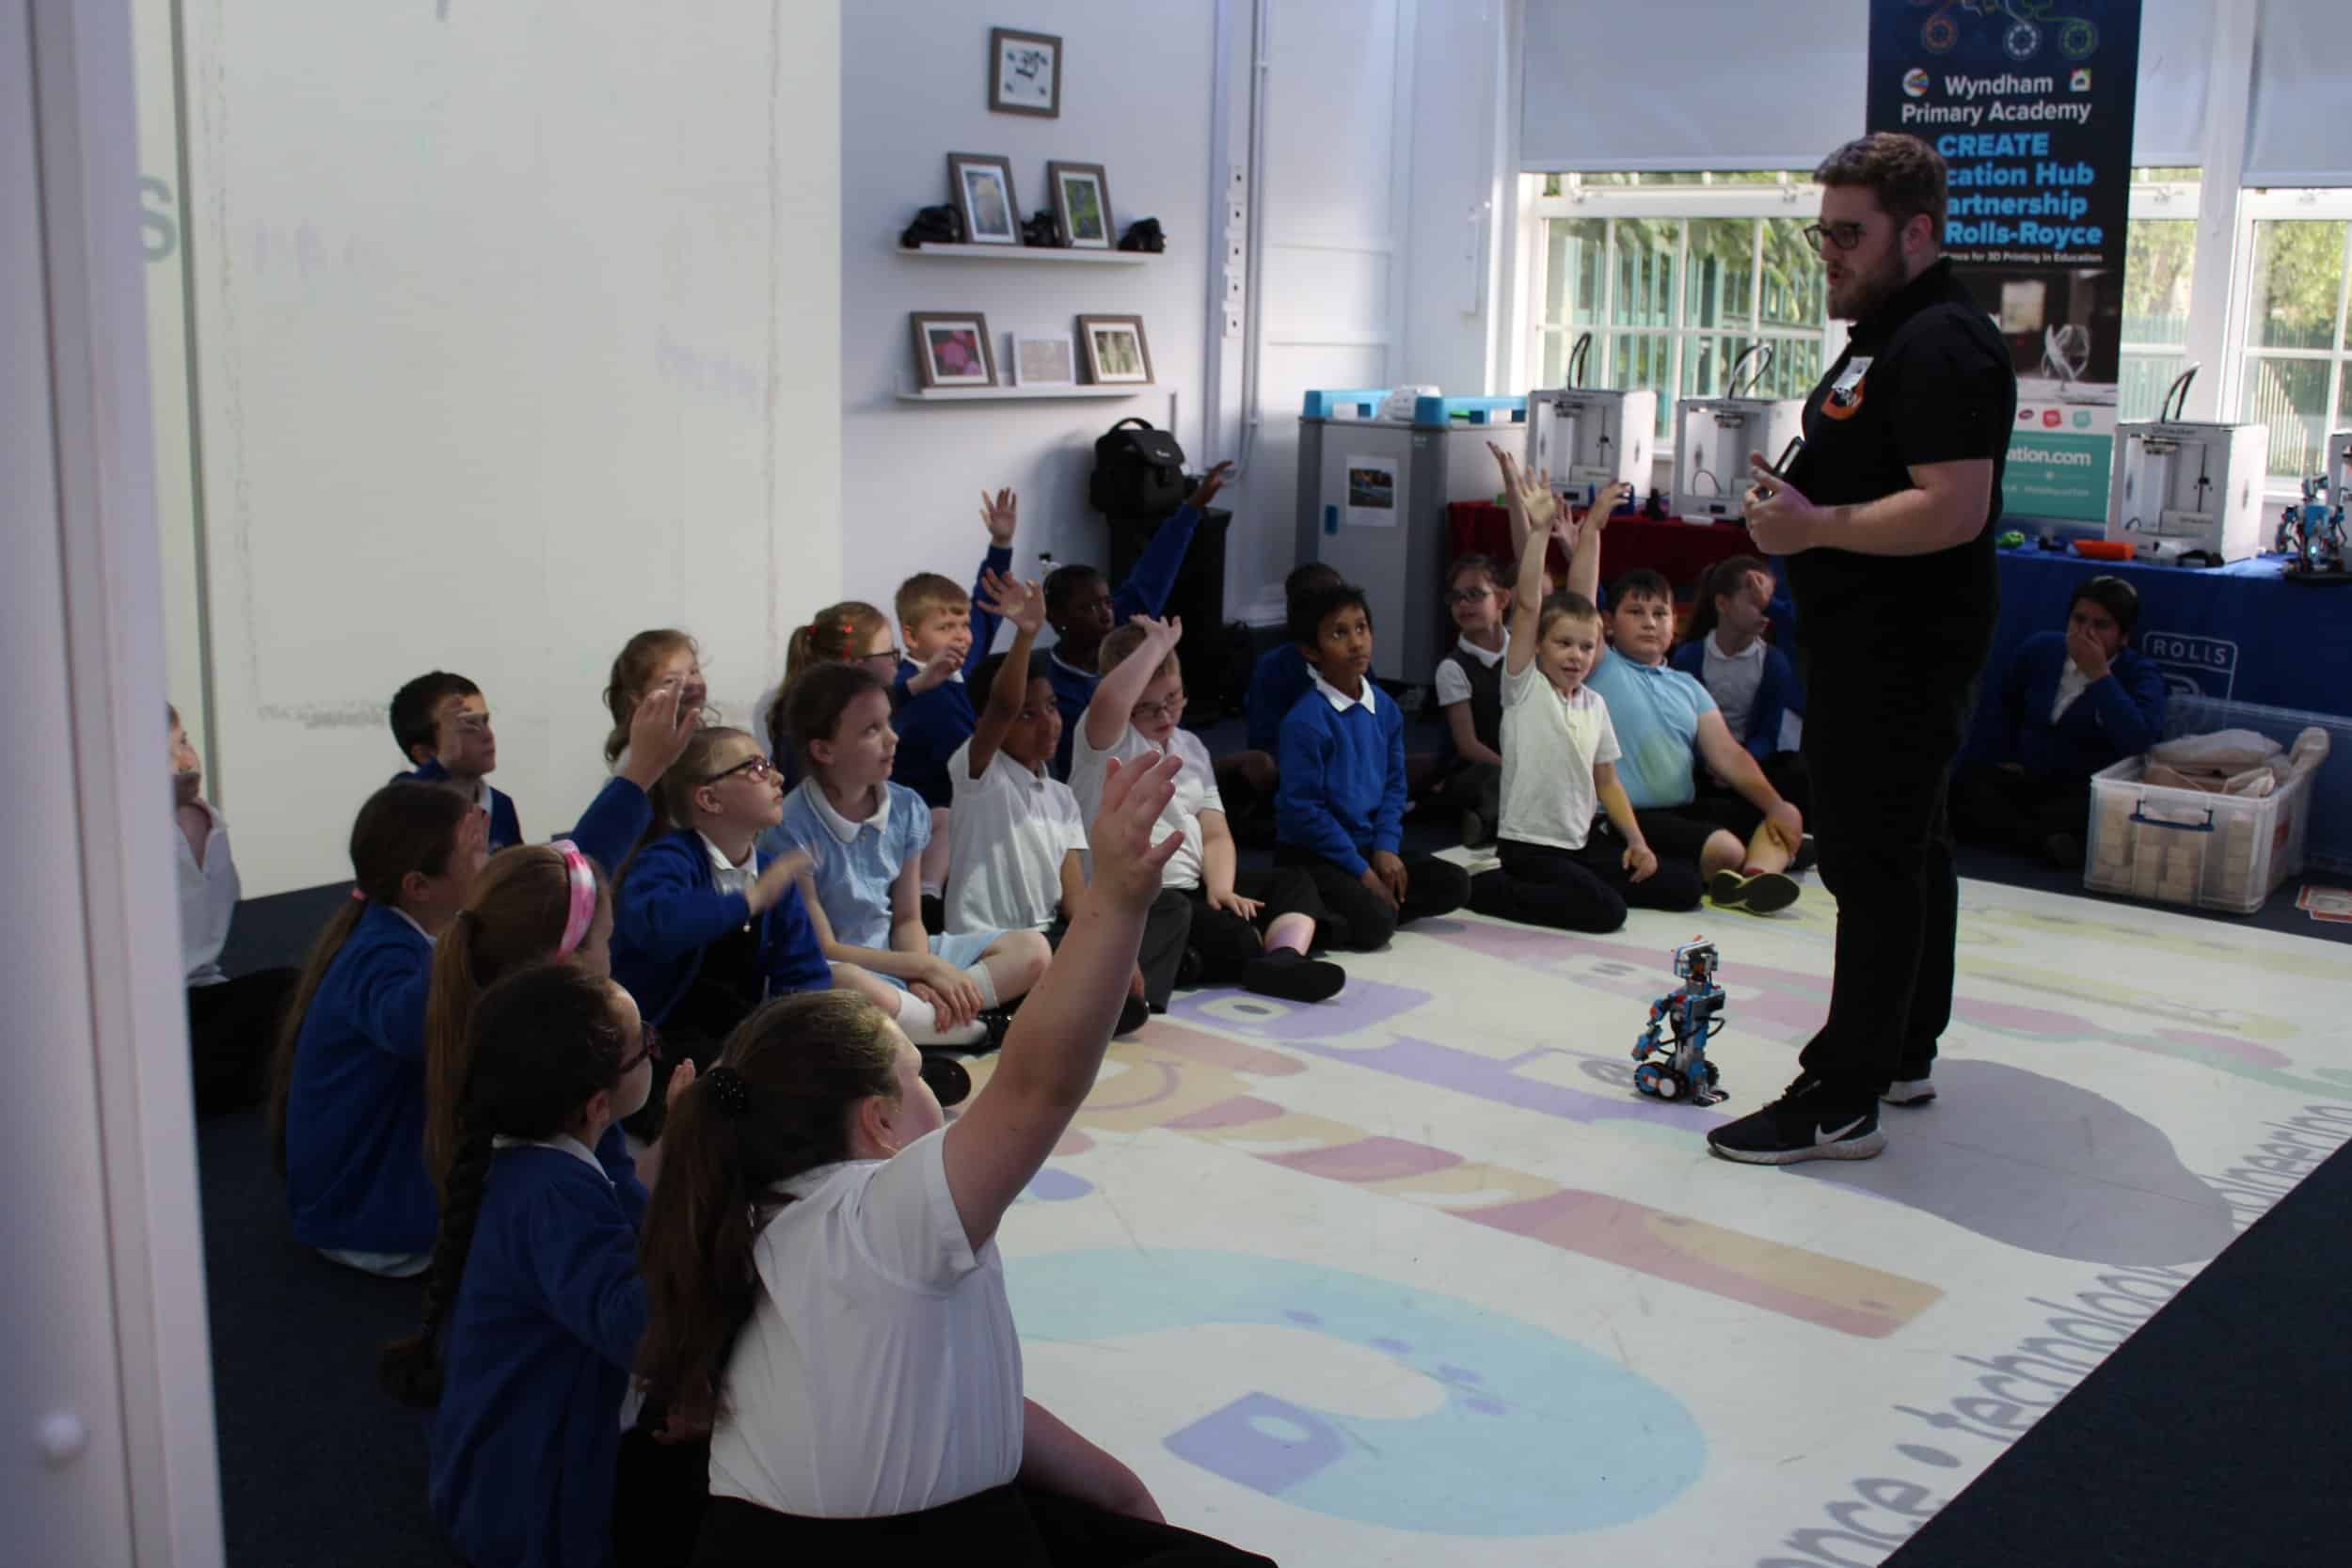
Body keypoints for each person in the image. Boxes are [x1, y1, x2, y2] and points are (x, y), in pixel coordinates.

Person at [633, 753, 1275, 1564]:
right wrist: (1115, 898)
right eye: (913, 1071)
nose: (941, 1091)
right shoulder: (876, 1215)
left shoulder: (745, 1208)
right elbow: (1038, 1084)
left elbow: (962, 1398)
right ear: (879, 1123)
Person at [1708, 132, 2017, 1163]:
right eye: (1822, 231)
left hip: (1902, 650)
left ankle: (1839, 1094)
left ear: (1917, 232)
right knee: (1909, 849)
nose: (1828, 252)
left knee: (1873, 861)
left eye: (1850, 233)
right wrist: (1801, 507)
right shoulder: (1887, 331)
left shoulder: (1944, 343)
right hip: (1869, 640)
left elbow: (1953, 507)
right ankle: (1900, 1049)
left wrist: (1815, 526)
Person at [382, 964, 698, 1568]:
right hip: (541, 1510)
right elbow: (645, 1331)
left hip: (531, 1456)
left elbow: (631, 1231)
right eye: (646, 1048)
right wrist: (690, 1170)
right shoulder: (552, 1197)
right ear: (597, 1102)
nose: (656, 1052)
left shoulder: (554, 1150)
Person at [612, 726, 918, 1141]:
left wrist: (803, 1037)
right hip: (661, 1049)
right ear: (709, 798)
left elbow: (803, 974)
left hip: (739, 1040)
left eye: (770, 763)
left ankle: (884, 1087)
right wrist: (750, 900)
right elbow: (661, 924)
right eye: (755, 768)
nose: (776, 776)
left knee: (836, 1049)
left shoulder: (772, 872)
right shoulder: (668, 861)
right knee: (735, 1109)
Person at [767, 664, 1052, 1044]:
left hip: (898, 956)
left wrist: (922, 974)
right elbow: (827, 947)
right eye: (871, 730)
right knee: (848, 987)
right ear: (823, 750)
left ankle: (928, 1022)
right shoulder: (790, 826)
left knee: (1032, 948)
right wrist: (922, 967)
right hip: (845, 968)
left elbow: (906, 919)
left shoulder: (906, 806)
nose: (892, 739)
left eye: (888, 722)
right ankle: (980, 1029)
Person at [272, 781, 487, 1275]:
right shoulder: (380, 956)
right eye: (475, 855)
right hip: (371, 1222)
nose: (490, 864)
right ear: (419, 887)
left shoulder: (394, 934)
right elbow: (417, 1028)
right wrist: (481, 918)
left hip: (371, 1200)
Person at [1080, 616, 1345, 1006]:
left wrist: (1222, 887)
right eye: (1148, 709)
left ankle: (1283, 960)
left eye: (1173, 699)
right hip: (1146, 900)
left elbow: (1216, 832)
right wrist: (1156, 644)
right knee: (1230, 936)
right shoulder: (1107, 743)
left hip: (1196, 888)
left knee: (1293, 882)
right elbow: (1109, 702)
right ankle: (1205, 960)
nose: (1166, 716)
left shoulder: (1191, 746)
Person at [1561, 497, 1806, 915]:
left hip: (1685, 810)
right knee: (1726, 847)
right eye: (1635, 612)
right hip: (1627, 817)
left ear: (1675, 624)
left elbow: (1729, 755)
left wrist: (1776, 806)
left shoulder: (1687, 685)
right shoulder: (1601, 665)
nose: (1650, 622)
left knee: (1782, 816)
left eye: (1660, 613)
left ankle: (1755, 878)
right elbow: (1580, 603)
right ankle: (1734, 867)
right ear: (1609, 626)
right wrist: (1591, 536)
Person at [1468, 461, 1684, 932]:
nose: (1576, 656)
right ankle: (1482, 888)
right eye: (1563, 644)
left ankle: (1582, 877)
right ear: (1539, 645)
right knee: (1608, 912)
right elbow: (1528, 605)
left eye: (1586, 647)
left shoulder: (1593, 703)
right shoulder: (1524, 685)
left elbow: (1607, 781)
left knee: (1682, 888)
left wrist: (1637, 841)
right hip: (1529, 846)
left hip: (1580, 841)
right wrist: (1542, 530)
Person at [1274, 582, 1471, 950]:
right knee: (1376, 924)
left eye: (1362, 628)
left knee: (1454, 883)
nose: (1356, 642)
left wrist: (1386, 849)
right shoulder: (1305, 721)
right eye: (1339, 633)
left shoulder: (1386, 708)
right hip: (1317, 854)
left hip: (1367, 845)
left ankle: (1362, 906)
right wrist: (1363, 873)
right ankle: (1311, 913)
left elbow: (1396, 787)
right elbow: (1305, 812)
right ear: (1311, 652)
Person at [1951, 575, 2164, 868]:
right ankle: (2043, 841)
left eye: (2100, 625)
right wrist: (2009, 756)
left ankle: (2036, 839)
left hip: (2081, 788)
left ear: (2124, 636)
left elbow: (2138, 739)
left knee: (2095, 814)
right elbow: (2004, 707)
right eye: (2079, 620)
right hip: (2029, 778)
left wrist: (2100, 676)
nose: (2085, 632)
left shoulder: (2140, 673)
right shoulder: (2041, 650)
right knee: (1964, 786)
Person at [1042, 462, 1233, 779]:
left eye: (1105, 602)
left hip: (1169, 760)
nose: (1105, 612)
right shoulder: (1060, 688)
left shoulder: (1121, 620)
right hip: (1112, 784)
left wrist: (1193, 506)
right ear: (1057, 619)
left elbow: (1157, 566)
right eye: (1087, 608)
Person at [891, 488, 1021, 922]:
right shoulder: (900, 682)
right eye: (945, 627)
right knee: (943, 818)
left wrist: (1000, 545)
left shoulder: (971, 659)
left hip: (972, 797)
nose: (962, 635)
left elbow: (987, 605)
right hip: (923, 805)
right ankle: (927, 897)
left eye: (962, 625)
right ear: (912, 637)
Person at [172, 705, 296, 1116]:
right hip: (148, 1015)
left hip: (202, 998)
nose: (186, 761)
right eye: (166, 752)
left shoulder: (210, 822)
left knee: (294, 990)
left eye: (184, 742)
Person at [1672, 554, 1810, 823]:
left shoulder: (1774, 662)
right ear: (1723, 604)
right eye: (1754, 601)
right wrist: (1711, 762)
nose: (1764, 610)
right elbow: (1682, 726)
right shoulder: (1690, 657)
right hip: (1702, 763)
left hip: (1750, 762)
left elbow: (1767, 735)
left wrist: (1738, 765)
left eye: (1767, 601)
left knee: (1797, 772)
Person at [764, 600, 898, 789]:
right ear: (856, 665)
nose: (895, 661)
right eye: (889, 653)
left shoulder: (823, 705)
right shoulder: (812, 717)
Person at [1428, 553, 1510, 847]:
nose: (1463, 604)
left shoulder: (1524, 652)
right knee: (1492, 777)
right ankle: (1483, 822)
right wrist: (1517, 770)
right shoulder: (1453, 668)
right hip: (1473, 769)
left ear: (1501, 599)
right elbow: (1467, 745)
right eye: (1456, 597)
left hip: (1517, 759)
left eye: (1475, 594)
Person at [392, 671, 522, 853]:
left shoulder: (501, 805)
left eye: (485, 721)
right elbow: (392, 808)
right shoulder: (402, 806)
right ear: (425, 754)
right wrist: (442, 763)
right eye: (468, 725)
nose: (487, 735)